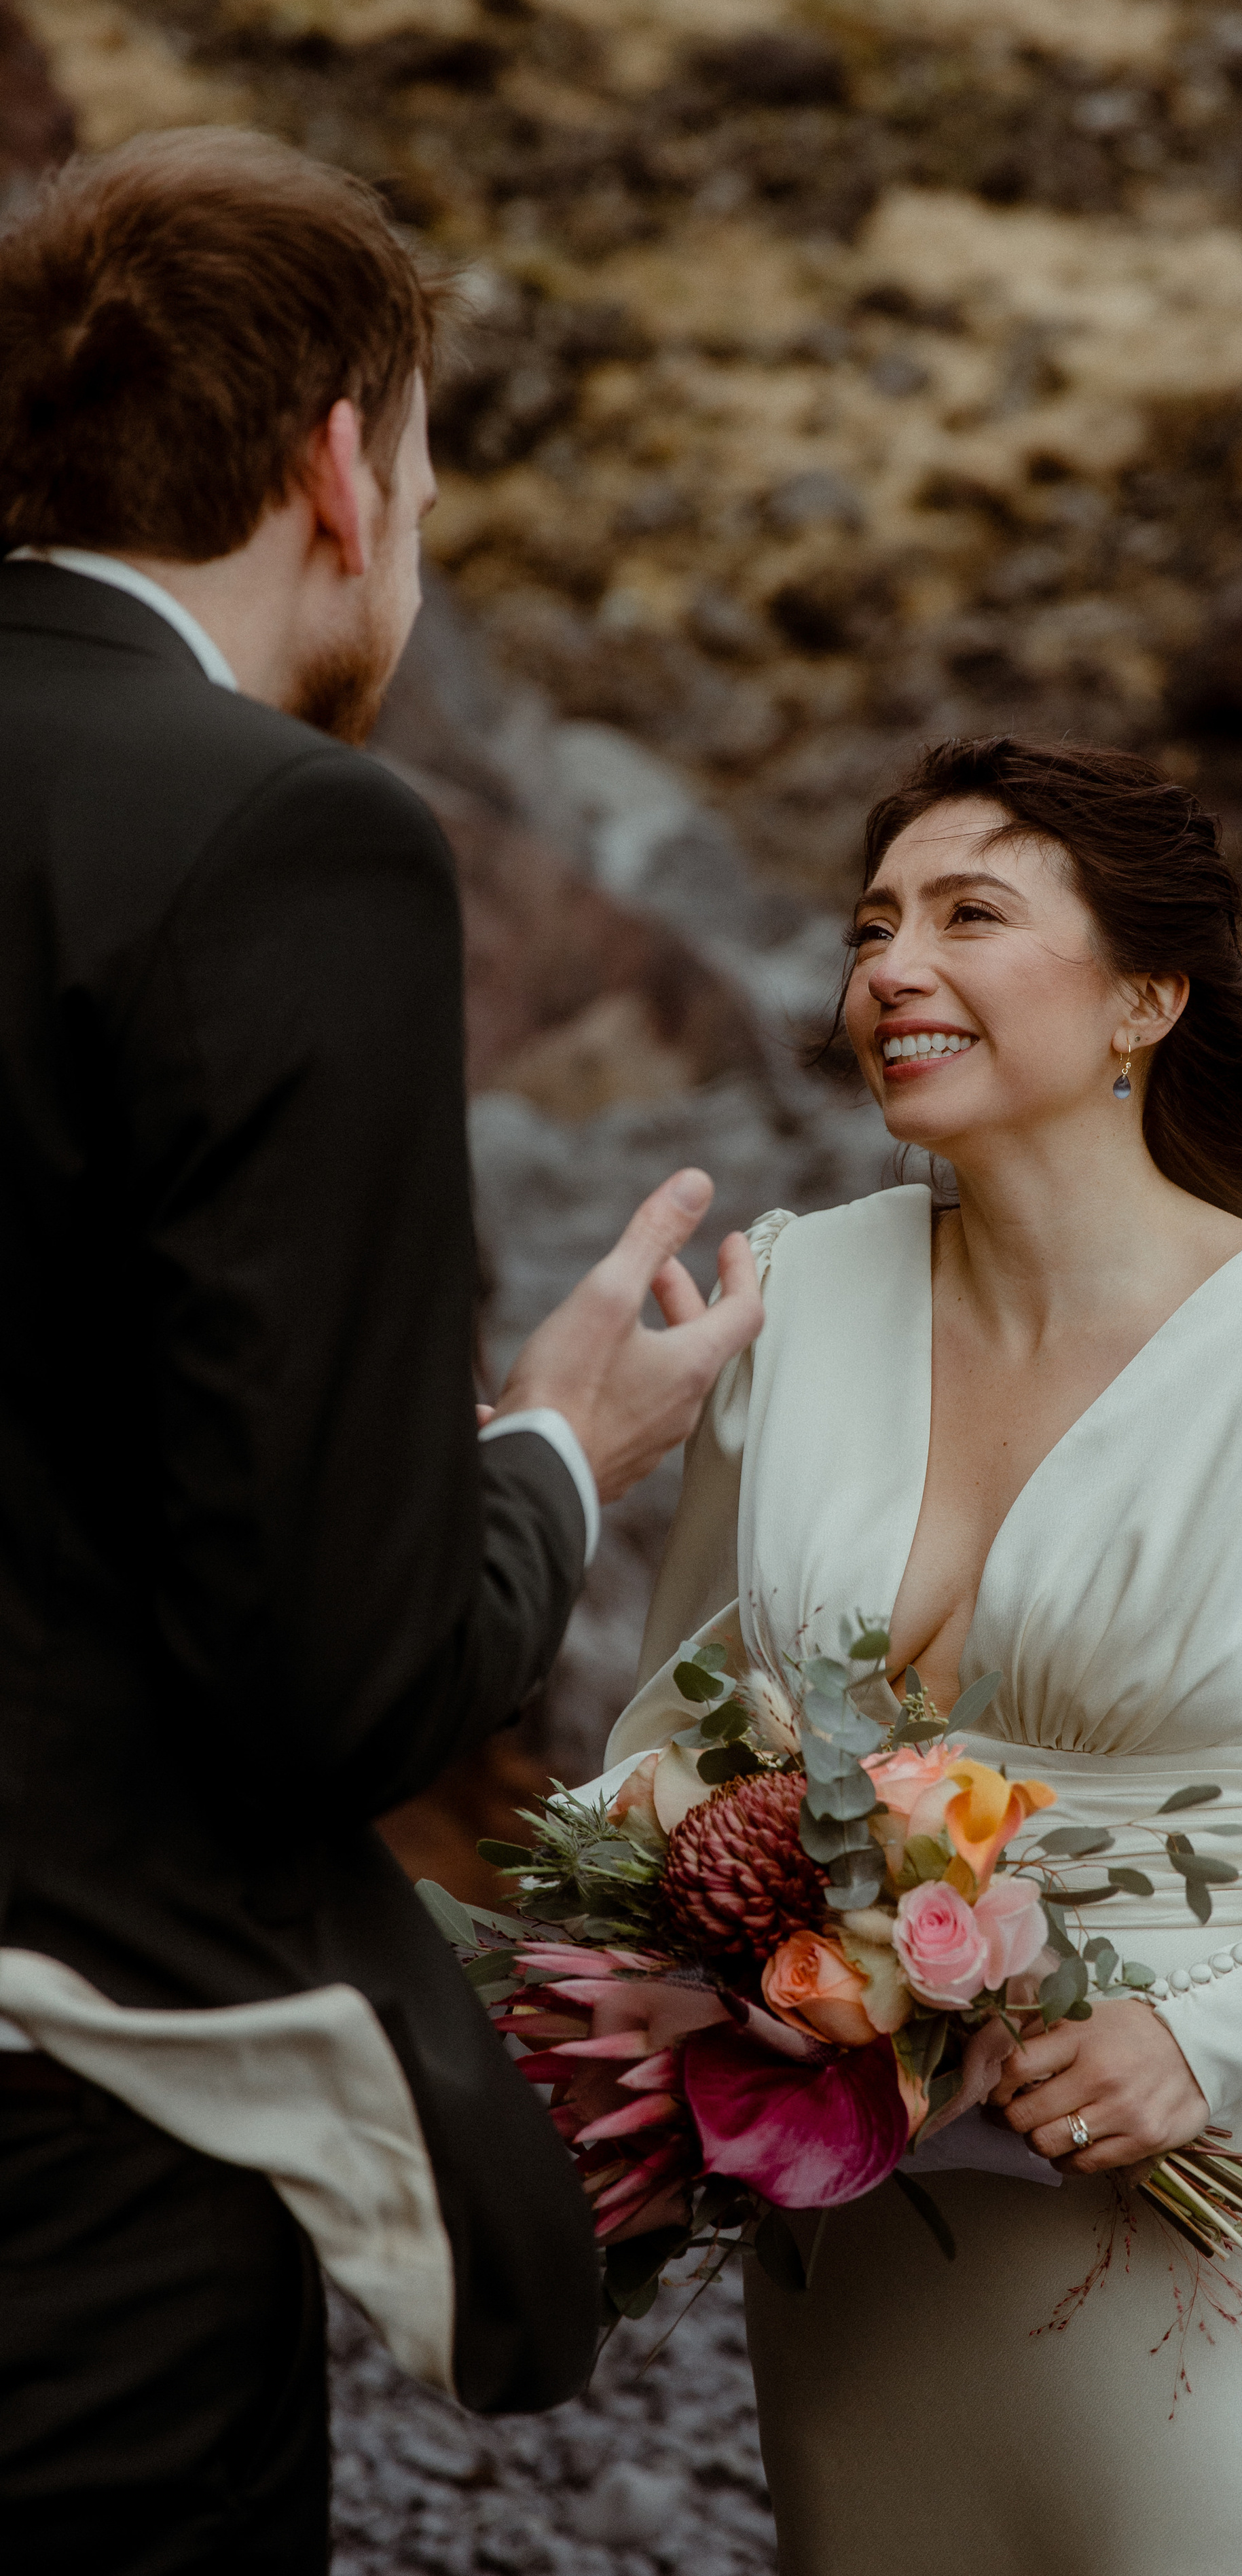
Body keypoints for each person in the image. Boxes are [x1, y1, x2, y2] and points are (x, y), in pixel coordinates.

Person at [604, 736, 1242, 2575]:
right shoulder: (796, 1300)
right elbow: (696, 1731)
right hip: (866, 2204)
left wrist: (1203, 2033)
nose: (890, 967)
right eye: (871, 925)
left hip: (1205, 2178)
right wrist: (648, 1983)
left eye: (968, 915)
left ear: (1143, 1001)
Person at [0, 128, 762, 2571]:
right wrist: (560, 1446)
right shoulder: (281, 837)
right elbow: (333, 1675)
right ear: (343, 467)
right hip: (72, 2166)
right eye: (422, 473)